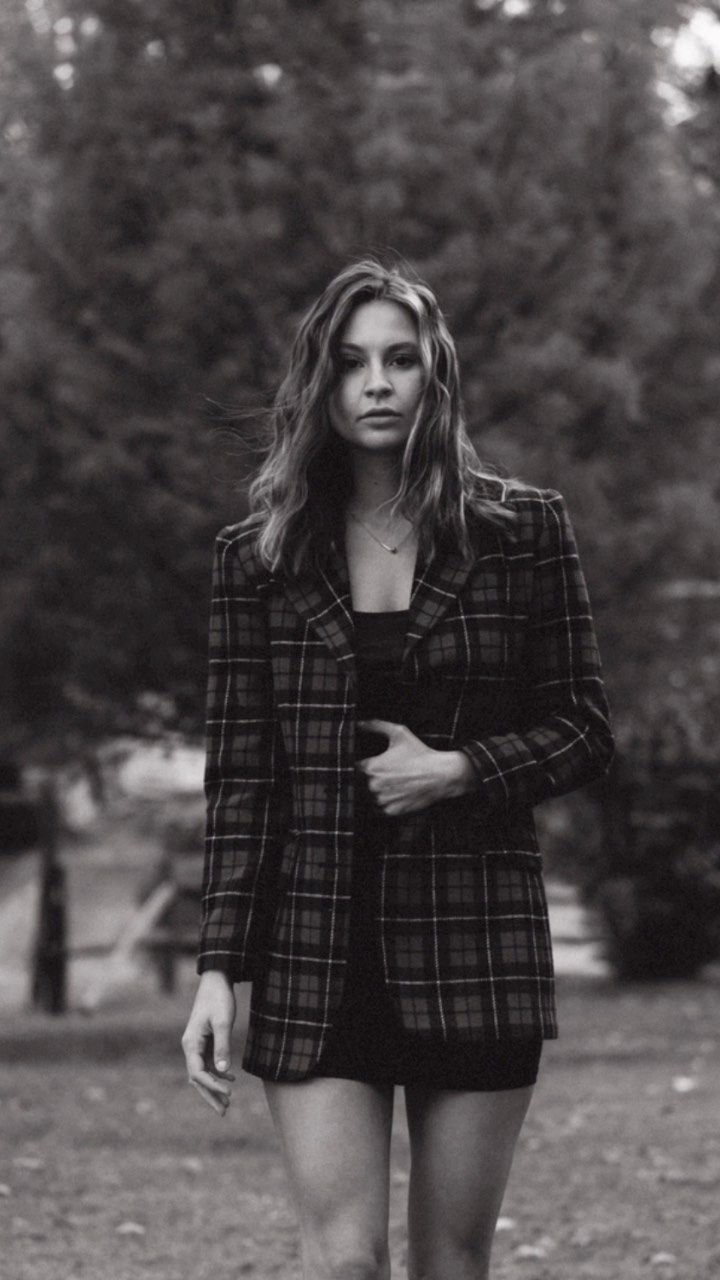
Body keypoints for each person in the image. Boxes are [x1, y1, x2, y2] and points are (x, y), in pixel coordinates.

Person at [181, 258, 613, 1280]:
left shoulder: (521, 531)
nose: (376, 383)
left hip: (477, 936)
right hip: (315, 947)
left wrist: (460, 768)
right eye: (350, 362)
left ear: (435, 375)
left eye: (400, 360)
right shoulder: (258, 557)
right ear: (319, 383)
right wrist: (217, 968)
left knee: (452, 1261)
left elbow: (584, 726)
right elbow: (242, 778)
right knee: (343, 1262)